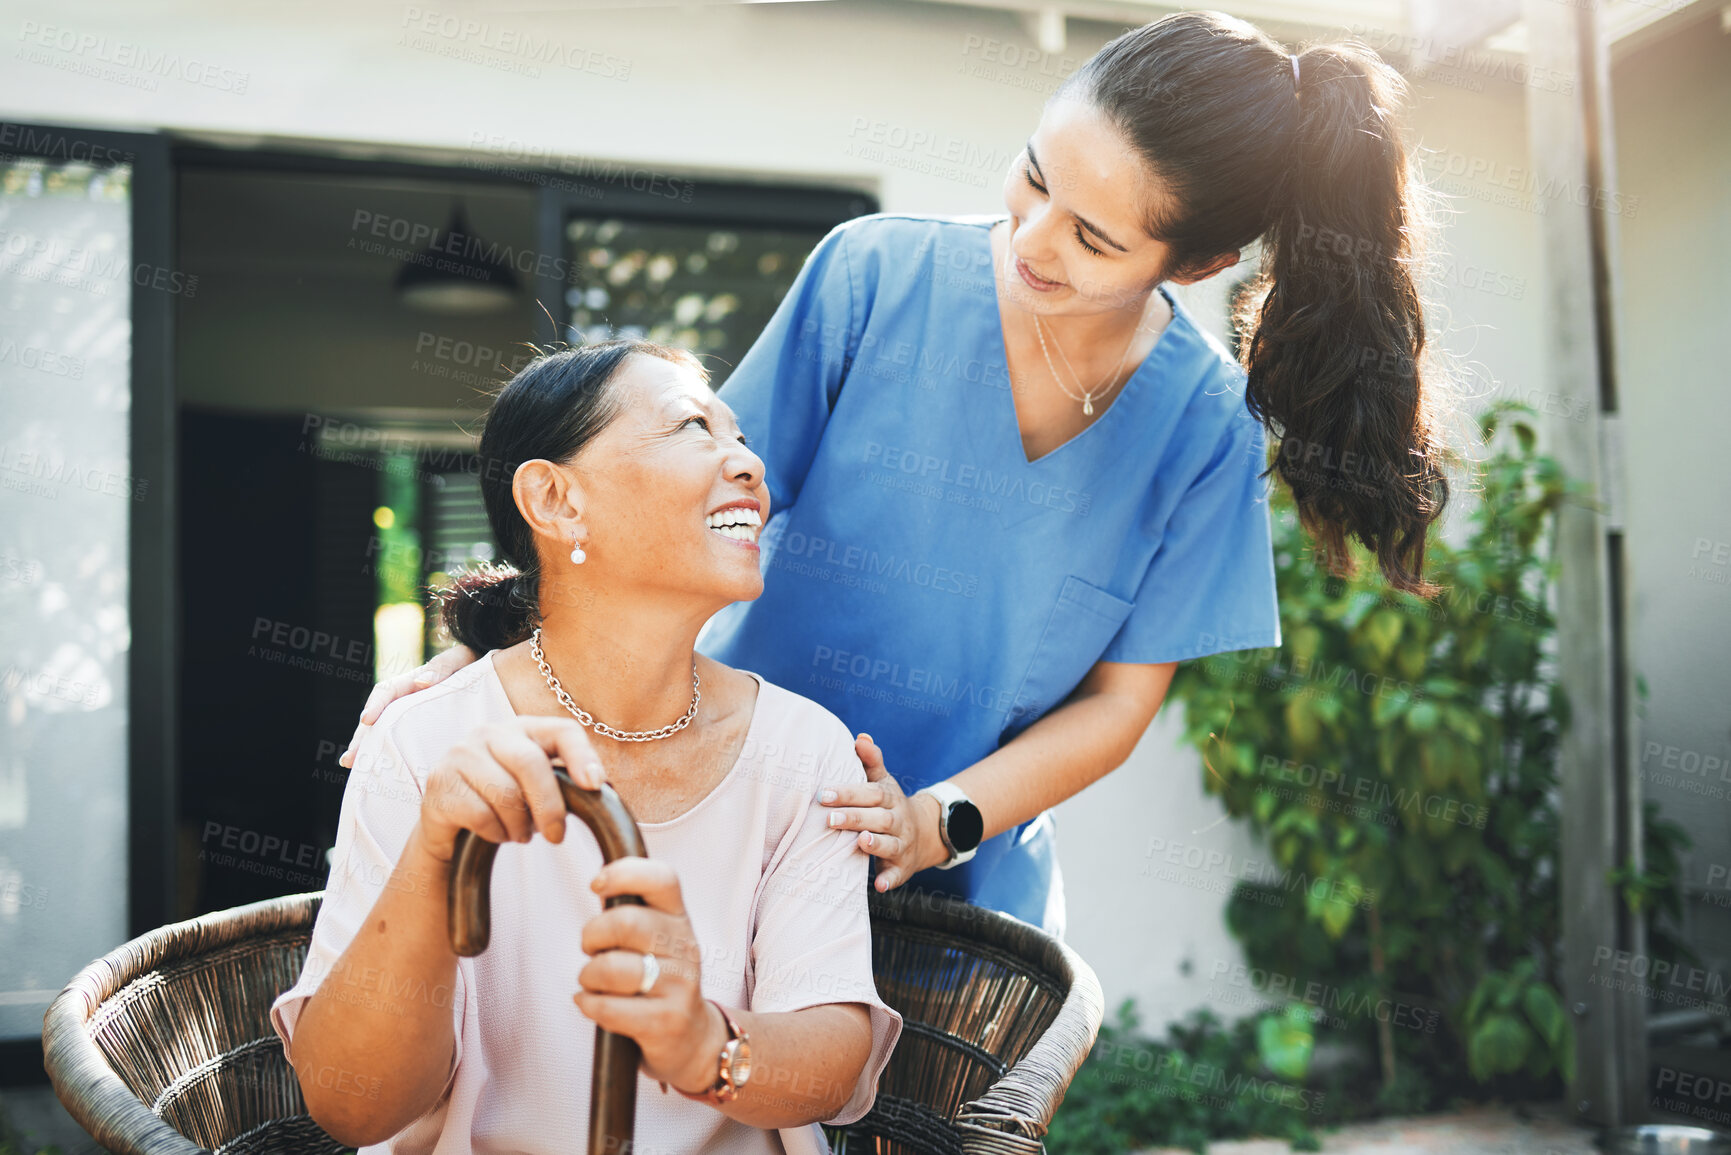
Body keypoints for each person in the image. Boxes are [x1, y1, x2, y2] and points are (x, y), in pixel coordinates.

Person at [343, 11, 1451, 935]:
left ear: (1200, 263)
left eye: (1093, 240)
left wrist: (937, 821)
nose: (1031, 240)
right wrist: (490, 657)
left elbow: (1118, 705)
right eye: (1033, 176)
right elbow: (678, 514)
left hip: (961, 893)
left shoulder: (1203, 425)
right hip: (726, 828)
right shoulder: (872, 278)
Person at [273, 340, 902, 1155]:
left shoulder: (805, 750)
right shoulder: (425, 741)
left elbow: (832, 1066)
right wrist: (434, 857)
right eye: (691, 428)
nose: (745, 461)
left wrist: (703, 1043)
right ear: (556, 498)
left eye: (739, 436)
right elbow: (353, 1107)